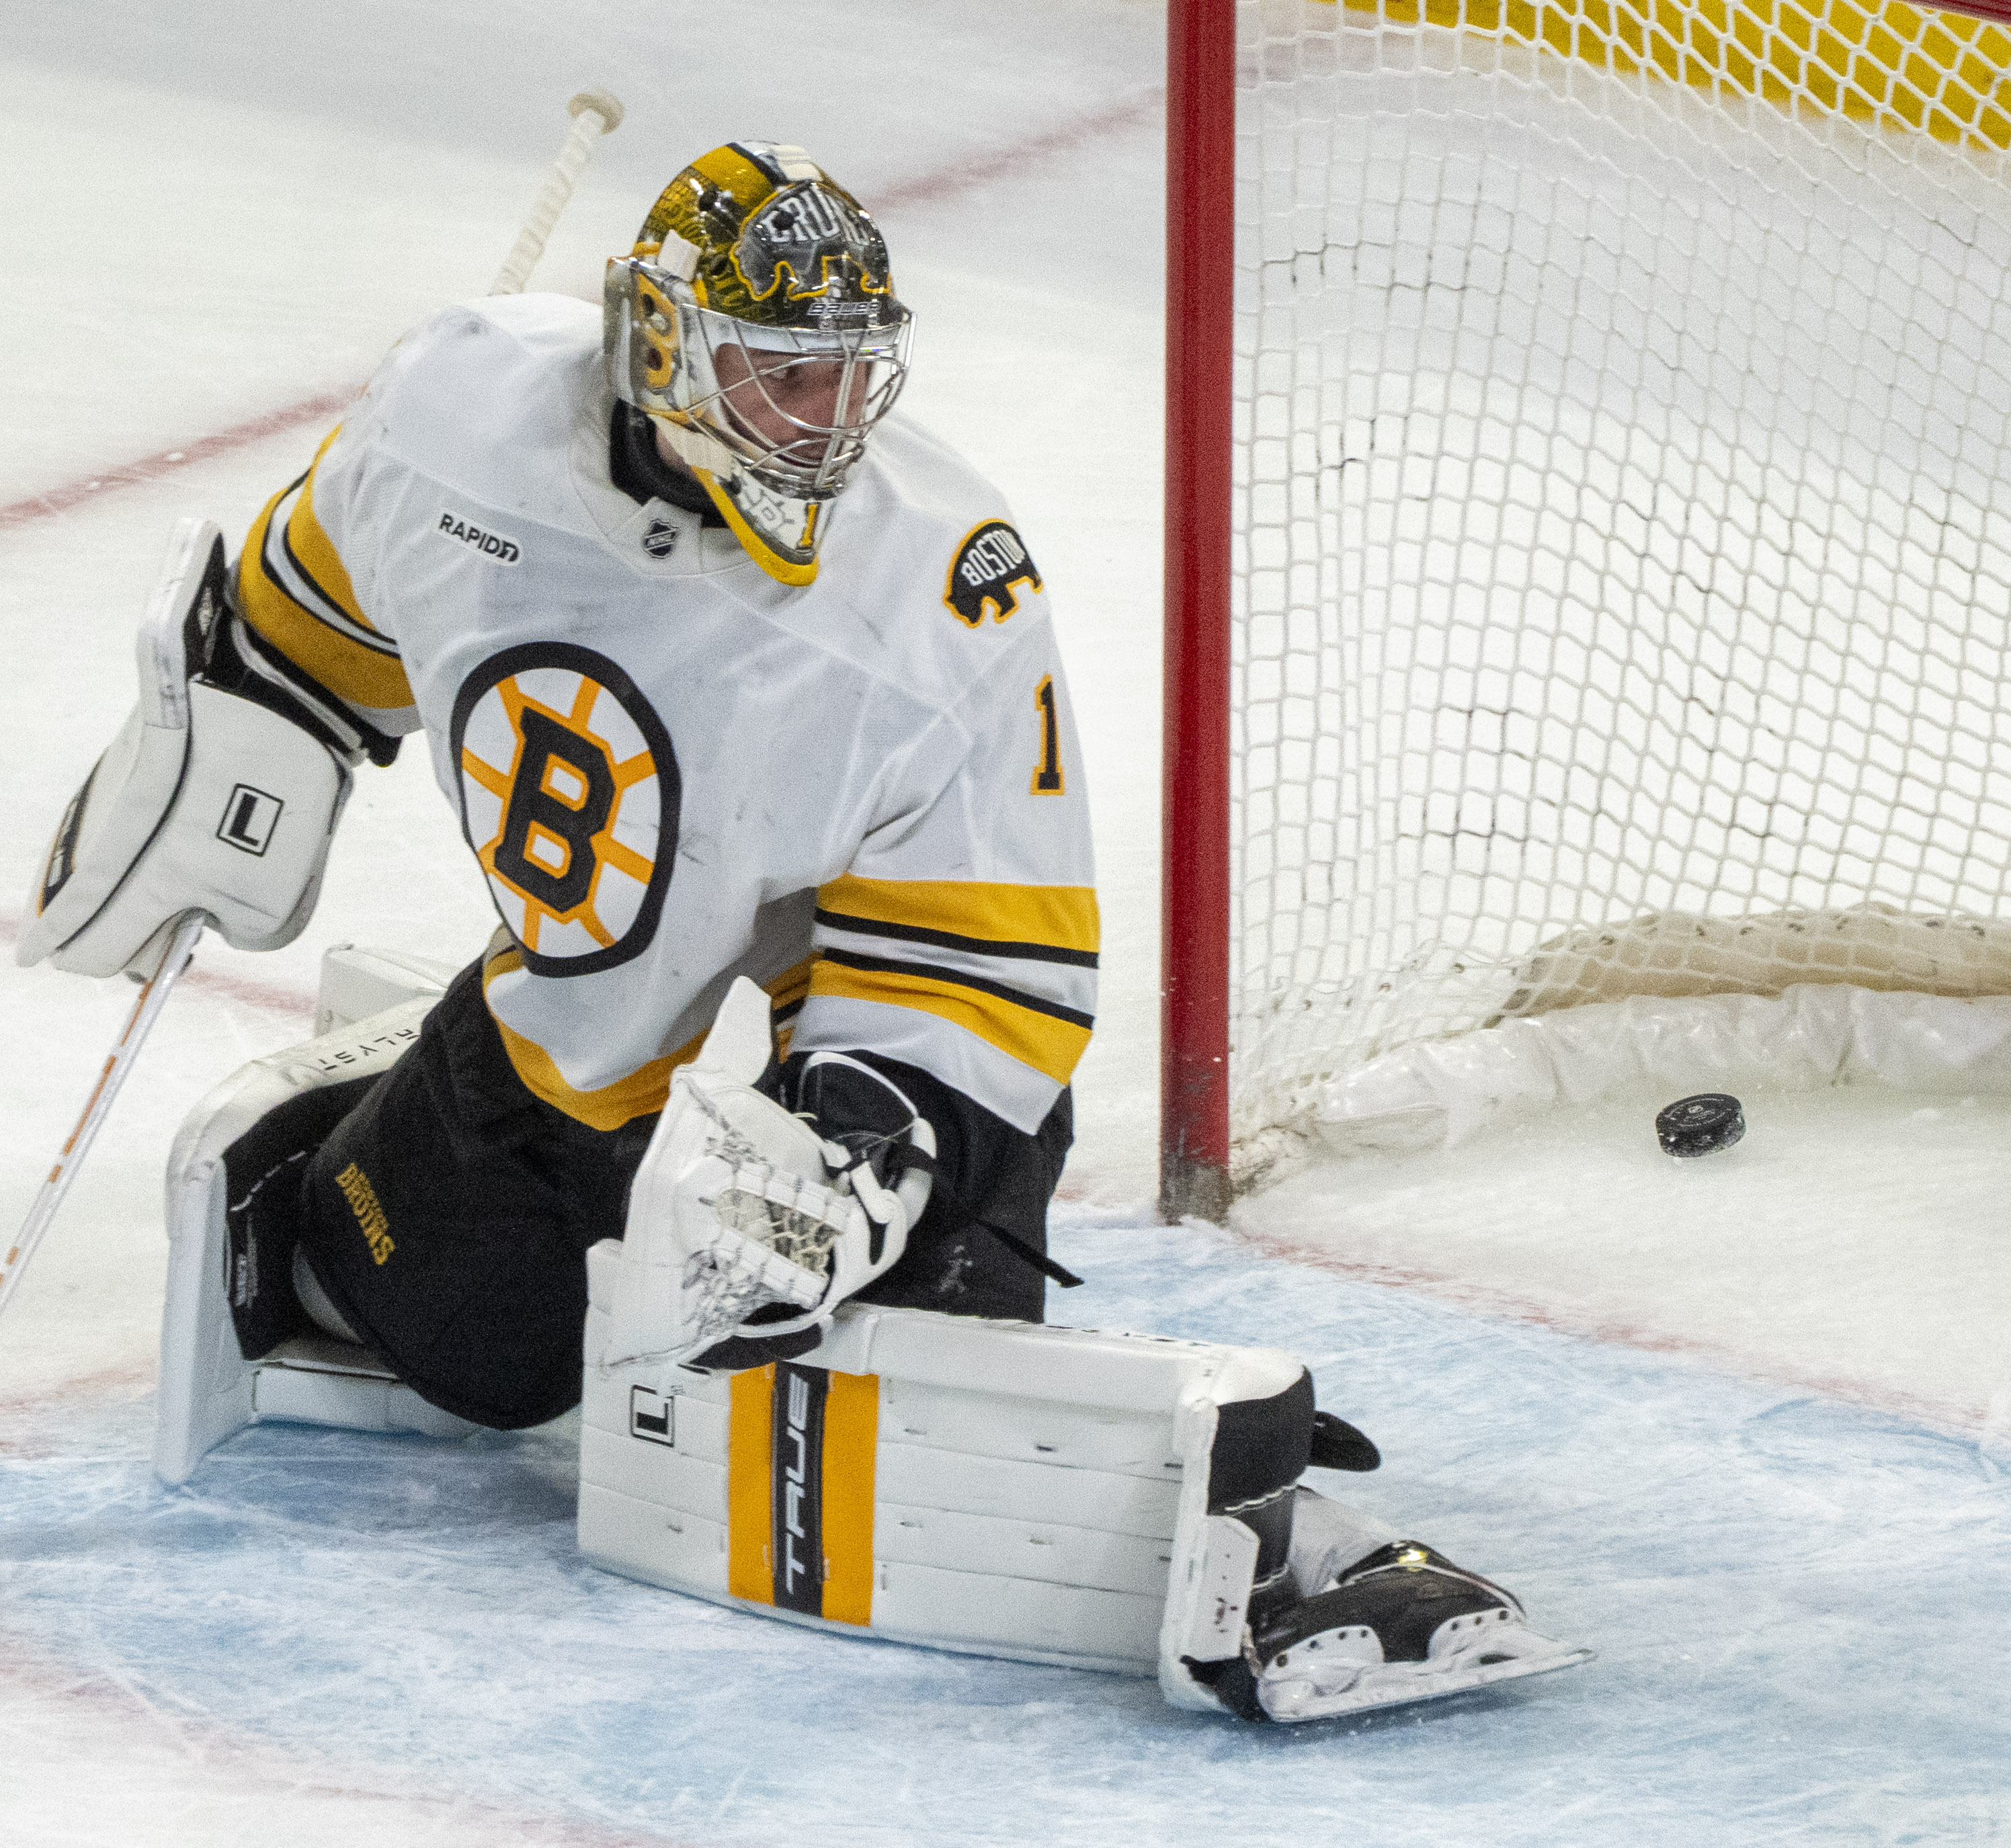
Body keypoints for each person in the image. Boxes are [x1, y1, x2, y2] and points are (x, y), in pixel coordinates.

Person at [23, 139, 1577, 1721]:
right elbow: (315, 620)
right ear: (657, 346)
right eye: (779, 376)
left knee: (878, 1401)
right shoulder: (455, 417)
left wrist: (851, 1168)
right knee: (446, 1348)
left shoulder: (938, 588)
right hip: (567, 1061)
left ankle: (1286, 1525)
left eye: (850, 379)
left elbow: (997, 966)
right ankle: (390, 1127)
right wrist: (230, 748)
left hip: (831, 1080)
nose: (825, 425)